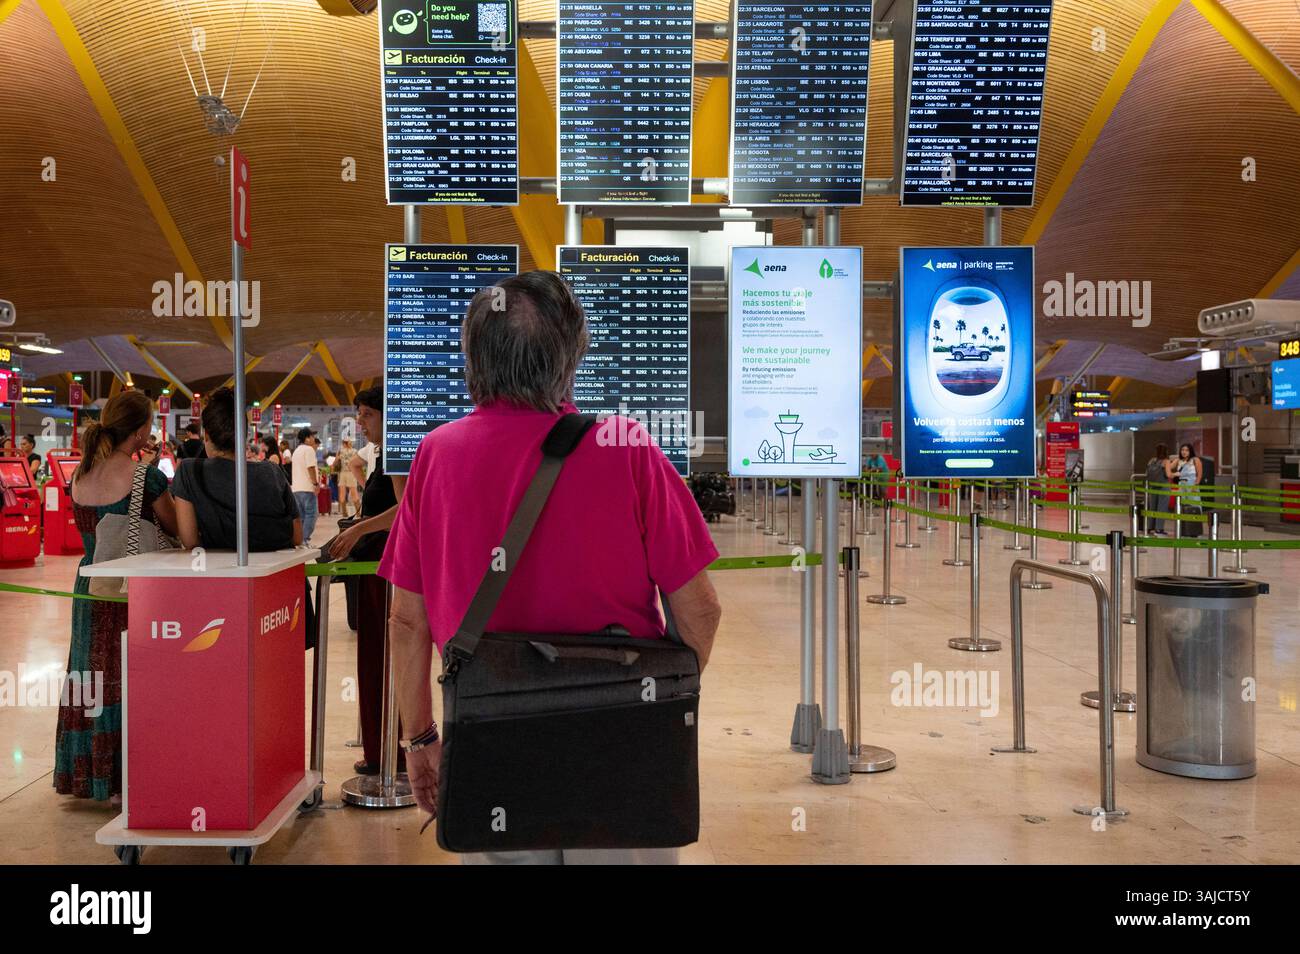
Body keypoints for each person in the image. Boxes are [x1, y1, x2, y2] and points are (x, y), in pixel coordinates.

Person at [379, 271, 722, 865]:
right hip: (620, 735)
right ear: (571, 354)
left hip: (493, 732)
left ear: (472, 358)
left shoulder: (436, 456)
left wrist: (421, 738)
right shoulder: (628, 448)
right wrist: (657, 701)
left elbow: (408, 621)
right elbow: (700, 610)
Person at [57, 390, 178, 802]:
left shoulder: (80, 474)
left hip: (89, 590)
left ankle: (88, 775)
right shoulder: (147, 477)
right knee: (131, 680)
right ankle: (130, 774)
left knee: (90, 679)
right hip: (132, 593)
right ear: (143, 429)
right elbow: (176, 528)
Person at [327, 388, 406, 775]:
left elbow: (406, 508)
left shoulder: (396, 453)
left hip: (385, 569)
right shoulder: (382, 453)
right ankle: (383, 749)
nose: (361, 422)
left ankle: (391, 753)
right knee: (376, 658)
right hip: (378, 567)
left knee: (381, 658)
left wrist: (361, 529)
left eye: (367, 414)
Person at [171, 387, 302, 551]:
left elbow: (190, 541)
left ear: (207, 435)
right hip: (275, 573)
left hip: (220, 572)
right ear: (244, 434)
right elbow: (297, 535)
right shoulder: (272, 471)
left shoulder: (189, 471)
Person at [290, 427, 320, 544]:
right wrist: (315, 484)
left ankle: (299, 541)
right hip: (307, 488)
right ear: (307, 438)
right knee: (311, 515)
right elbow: (311, 467)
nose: (314, 439)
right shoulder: (309, 450)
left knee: (301, 516)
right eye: (312, 436)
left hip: (296, 488)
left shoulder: (296, 451)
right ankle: (304, 540)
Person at [1144, 442, 1172, 534]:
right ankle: (1159, 528)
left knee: (1153, 507)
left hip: (1153, 486)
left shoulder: (1152, 460)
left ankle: (1149, 527)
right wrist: (1175, 474)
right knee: (1162, 507)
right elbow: (1168, 474)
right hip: (1163, 486)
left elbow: (1147, 473)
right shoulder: (1166, 461)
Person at [1170, 442, 1203, 512]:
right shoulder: (1178, 460)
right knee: (1183, 504)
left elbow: (1199, 474)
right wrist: (1173, 473)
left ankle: (1196, 520)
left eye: (1186, 450)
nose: (1184, 452)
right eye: (1182, 450)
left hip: (1192, 484)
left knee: (1194, 503)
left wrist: (1195, 485)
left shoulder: (1195, 460)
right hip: (1181, 484)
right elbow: (1168, 468)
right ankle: (1185, 521)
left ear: (1190, 451)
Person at [337, 438, 360, 518]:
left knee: (342, 494)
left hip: (343, 473)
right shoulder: (355, 451)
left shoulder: (341, 451)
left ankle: (344, 513)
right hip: (351, 473)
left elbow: (336, 460)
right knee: (354, 493)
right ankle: (358, 513)